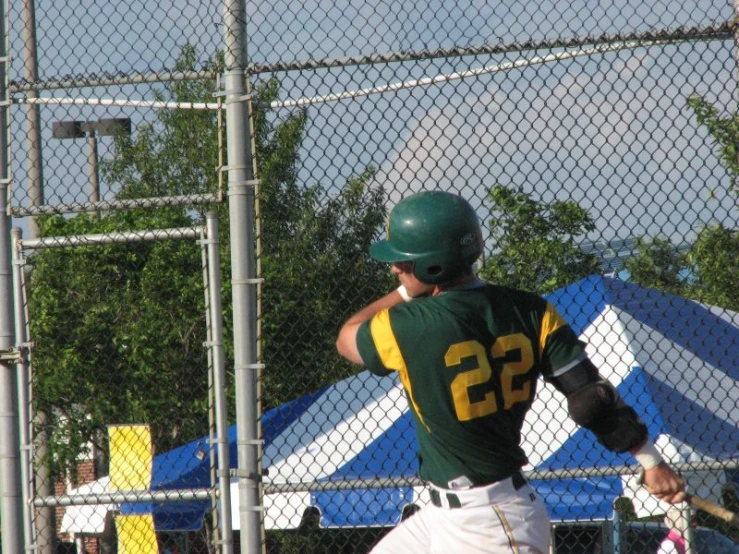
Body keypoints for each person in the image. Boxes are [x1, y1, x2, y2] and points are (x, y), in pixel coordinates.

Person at [335, 190, 686, 554]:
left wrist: (407, 292)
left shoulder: (408, 325)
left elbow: (347, 337)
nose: (395, 268)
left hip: (491, 524)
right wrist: (650, 461)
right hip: (447, 514)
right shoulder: (533, 311)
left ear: (434, 266)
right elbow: (589, 398)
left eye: (406, 263)